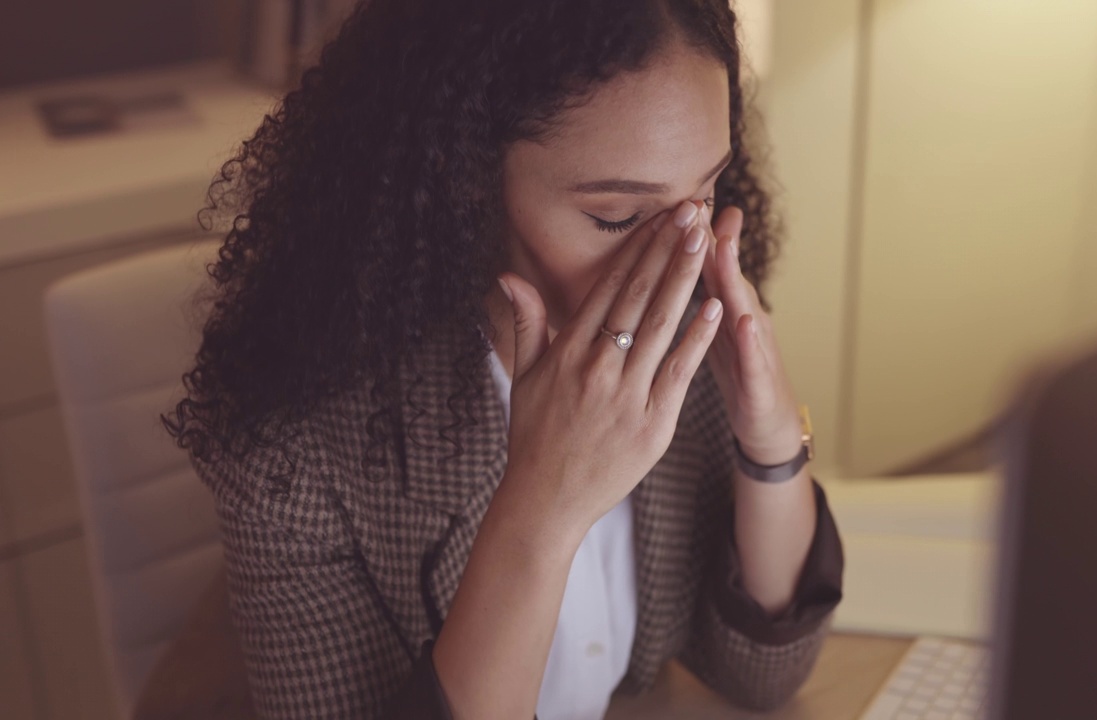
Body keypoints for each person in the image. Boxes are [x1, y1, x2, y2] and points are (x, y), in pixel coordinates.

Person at [163, 1, 844, 718]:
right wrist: (544, 506)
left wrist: (768, 446)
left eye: (705, 193)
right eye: (616, 216)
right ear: (463, 185)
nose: (684, 256)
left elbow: (764, 679)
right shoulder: (293, 448)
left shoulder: (689, 354)